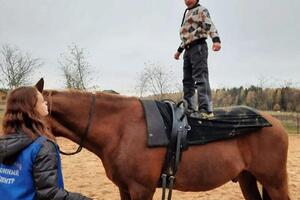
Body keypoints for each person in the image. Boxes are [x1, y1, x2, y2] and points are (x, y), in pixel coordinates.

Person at [0, 81, 91, 200]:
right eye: (42, 101)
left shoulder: (3, 142)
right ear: (32, 108)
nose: (45, 103)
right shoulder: (42, 147)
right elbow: (49, 194)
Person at [174, 0, 221, 119]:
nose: (187, 1)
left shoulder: (201, 10)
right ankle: (189, 108)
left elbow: (209, 25)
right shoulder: (187, 13)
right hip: (188, 49)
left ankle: (206, 109)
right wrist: (179, 51)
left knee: (200, 78)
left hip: (198, 47)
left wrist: (216, 40)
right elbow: (187, 37)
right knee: (187, 80)